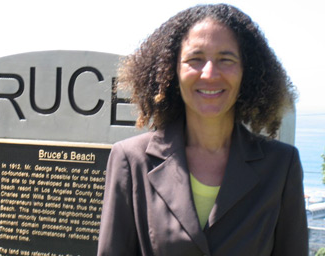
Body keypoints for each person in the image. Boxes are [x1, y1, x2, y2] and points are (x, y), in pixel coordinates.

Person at [97, 4, 308, 256]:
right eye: (195, 59)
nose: (209, 73)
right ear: (172, 71)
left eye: (226, 59)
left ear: (246, 72)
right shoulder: (132, 160)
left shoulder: (281, 165)